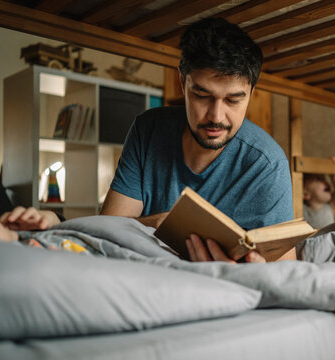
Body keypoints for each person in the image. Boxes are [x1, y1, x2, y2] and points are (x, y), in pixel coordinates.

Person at [99, 18, 294, 261]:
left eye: (233, 100)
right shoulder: (148, 129)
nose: (216, 117)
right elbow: (106, 230)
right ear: (183, 83)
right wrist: (161, 223)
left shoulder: (266, 163)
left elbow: (285, 270)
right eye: (202, 95)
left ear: (251, 93)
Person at [303, 156, 335, 229]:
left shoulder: (330, 206)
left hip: (329, 240)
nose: (326, 182)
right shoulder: (302, 210)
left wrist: (334, 170)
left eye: (325, 179)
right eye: (319, 180)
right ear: (305, 194)